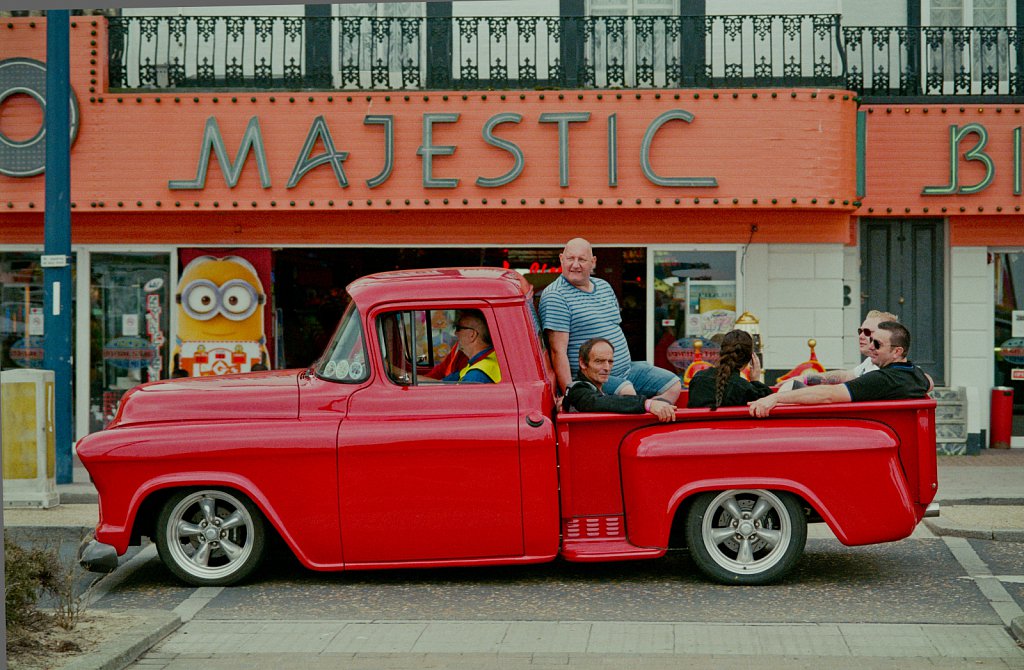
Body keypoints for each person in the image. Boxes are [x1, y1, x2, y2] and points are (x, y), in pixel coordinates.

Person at [540, 237, 681, 403]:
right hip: (593, 377)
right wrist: (571, 394)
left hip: (626, 369)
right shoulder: (556, 296)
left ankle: (652, 422)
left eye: (582, 259)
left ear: (593, 262)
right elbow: (558, 351)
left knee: (673, 385)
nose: (575, 264)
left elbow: (614, 327)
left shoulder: (604, 286)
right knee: (628, 395)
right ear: (561, 259)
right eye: (570, 258)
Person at [748, 321, 930, 418]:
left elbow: (828, 395)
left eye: (877, 344)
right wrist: (806, 380)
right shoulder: (915, 374)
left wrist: (775, 397)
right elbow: (929, 383)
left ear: (897, 351)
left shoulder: (882, 379)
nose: (871, 346)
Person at [562, 338, 676, 422]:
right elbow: (597, 402)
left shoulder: (594, 388)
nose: (607, 368)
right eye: (599, 361)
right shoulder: (577, 390)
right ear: (583, 363)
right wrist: (647, 404)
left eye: (610, 362)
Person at [785, 309, 899, 387]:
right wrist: (805, 378)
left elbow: (837, 393)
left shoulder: (883, 371)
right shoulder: (871, 361)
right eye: (860, 331)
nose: (861, 336)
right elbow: (845, 376)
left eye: (867, 332)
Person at [687, 329, 773, 409]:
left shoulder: (698, 378)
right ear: (749, 360)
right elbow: (768, 402)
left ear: (721, 353)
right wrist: (755, 381)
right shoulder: (745, 388)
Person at [442, 309, 500, 383]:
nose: (455, 333)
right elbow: (441, 383)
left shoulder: (475, 376)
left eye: (458, 328)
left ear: (472, 334)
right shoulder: (482, 362)